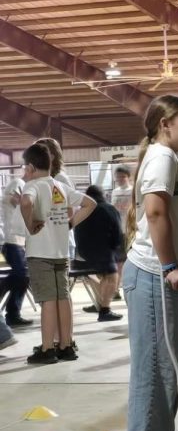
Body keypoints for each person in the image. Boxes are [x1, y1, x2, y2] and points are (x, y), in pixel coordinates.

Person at [122, 94, 178, 431]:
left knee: (169, 362)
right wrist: (170, 266)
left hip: (161, 275)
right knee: (156, 362)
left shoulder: (171, 157)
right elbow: (154, 212)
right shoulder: (162, 157)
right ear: (165, 124)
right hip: (154, 273)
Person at [20, 142, 95, 365]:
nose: (25, 172)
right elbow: (90, 203)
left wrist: (31, 223)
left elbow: (26, 203)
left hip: (40, 253)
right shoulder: (59, 186)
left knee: (48, 300)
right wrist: (71, 223)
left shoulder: (32, 185)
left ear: (31, 167)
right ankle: (65, 345)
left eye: (25, 168)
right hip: (61, 253)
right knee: (63, 297)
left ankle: (47, 349)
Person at [73, 185, 124, 322]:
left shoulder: (82, 210)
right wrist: (116, 249)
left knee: (99, 275)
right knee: (113, 276)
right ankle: (104, 310)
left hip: (81, 254)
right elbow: (117, 234)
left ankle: (99, 304)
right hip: (102, 252)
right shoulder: (109, 209)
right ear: (103, 195)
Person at [0, 171, 31, 327]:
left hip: (18, 241)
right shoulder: (18, 183)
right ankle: (12, 313)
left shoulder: (24, 186)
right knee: (22, 275)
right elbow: (12, 201)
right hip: (12, 241)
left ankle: (13, 313)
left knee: (22, 276)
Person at [110, 164, 133, 293]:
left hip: (129, 230)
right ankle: (117, 289)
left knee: (129, 260)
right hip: (118, 231)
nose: (120, 179)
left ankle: (127, 284)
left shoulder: (132, 191)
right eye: (118, 177)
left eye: (123, 176)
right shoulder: (115, 192)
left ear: (128, 177)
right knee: (118, 261)